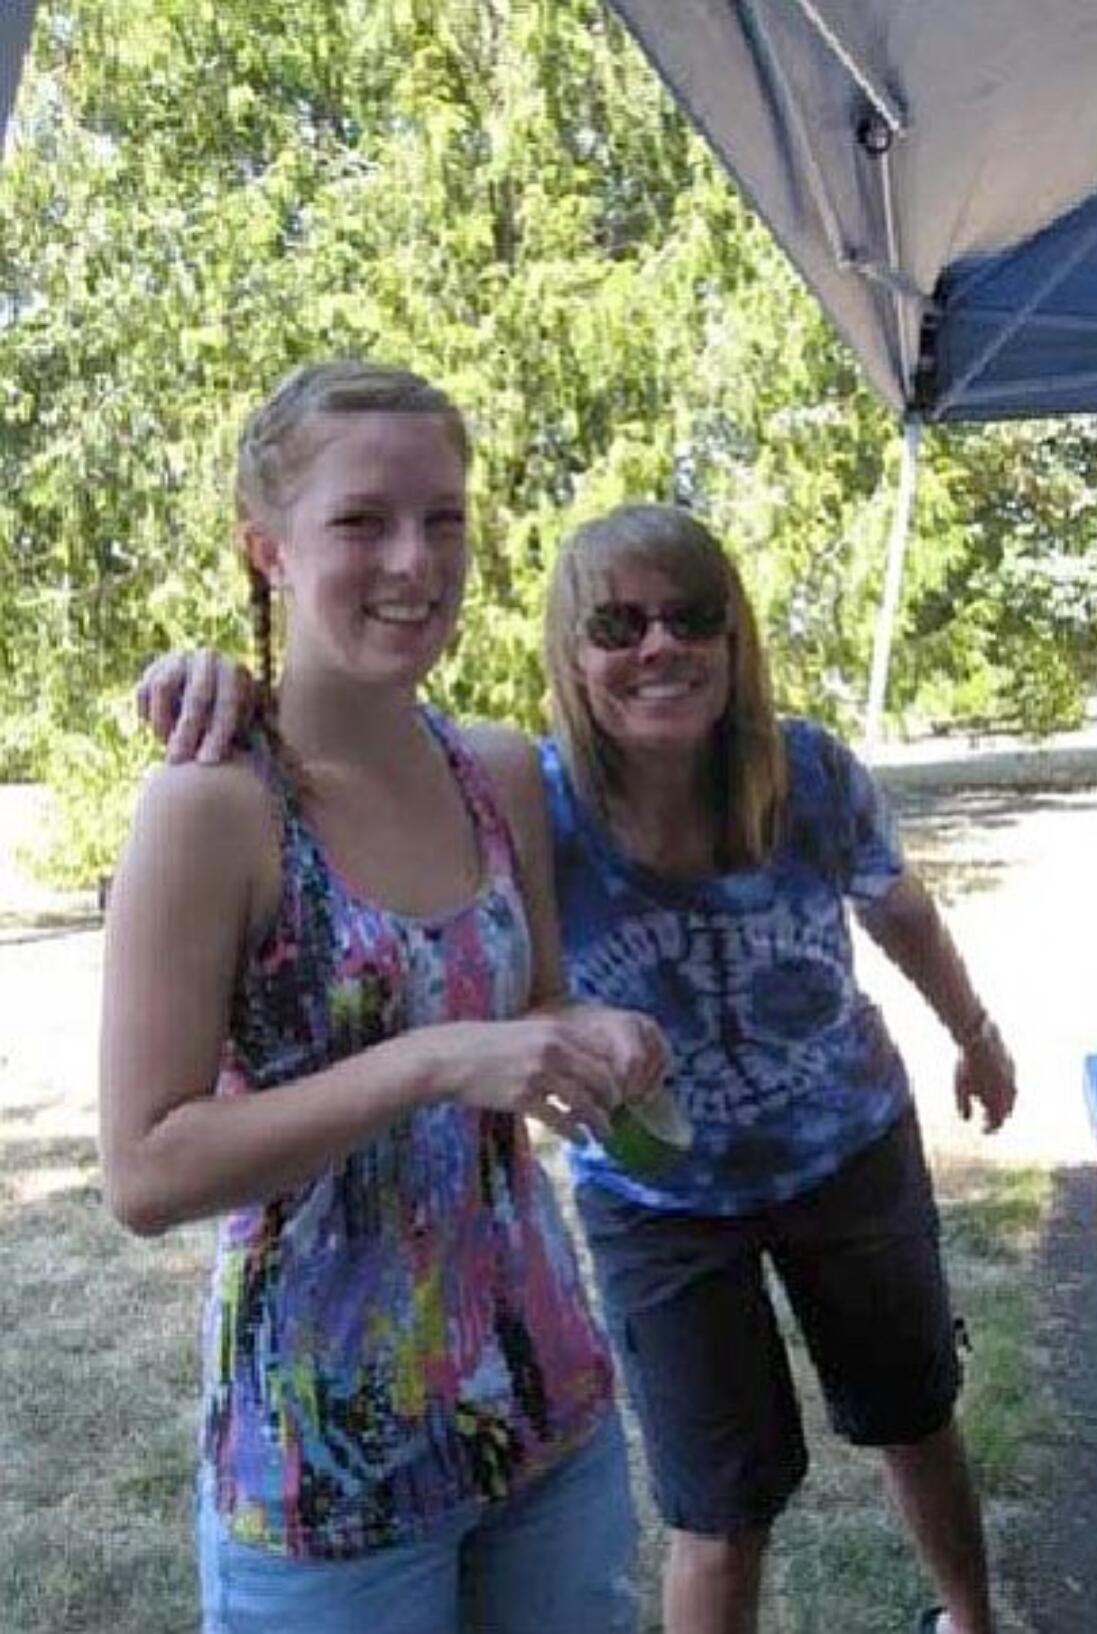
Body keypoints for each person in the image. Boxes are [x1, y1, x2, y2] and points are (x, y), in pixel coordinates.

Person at [142, 501, 1018, 1634]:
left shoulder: (805, 770)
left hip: (845, 1150)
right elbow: (363, 757)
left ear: (734, 637)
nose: (659, 646)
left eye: (692, 616)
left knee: (910, 1412)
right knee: (716, 1503)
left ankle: (971, 1619)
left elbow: (897, 906)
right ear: (570, 651)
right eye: (617, 623)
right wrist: (226, 680)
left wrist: (976, 1032)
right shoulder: (530, 798)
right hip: (656, 1200)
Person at [101, 360, 670, 1634]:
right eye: (361, 520)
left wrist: (600, 1044)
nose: (415, 559)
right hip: (324, 1461)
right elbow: (145, 1170)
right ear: (269, 549)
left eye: (445, 516)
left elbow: (532, 1026)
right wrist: (428, 1059)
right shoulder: (214, 806)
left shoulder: (500, 771)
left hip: (543, 1401)